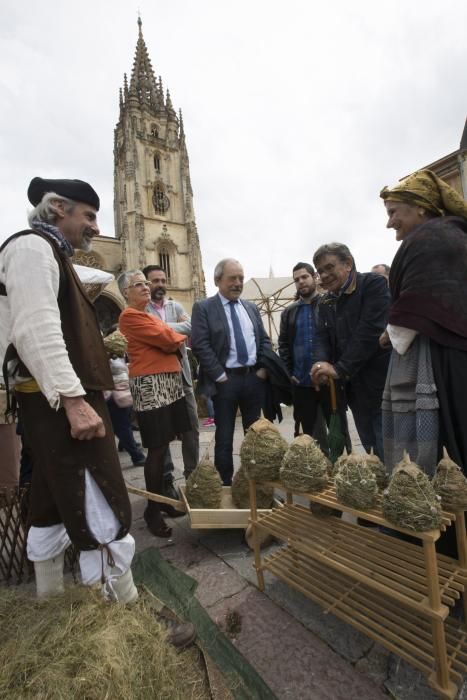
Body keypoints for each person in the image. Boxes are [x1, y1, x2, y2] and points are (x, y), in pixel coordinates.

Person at [0, 177, 137, 602]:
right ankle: (122, 616)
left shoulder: (51, 252)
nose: (95, 227)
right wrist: (75, 402)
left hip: (56, 400)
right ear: (58, 208)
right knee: (99, 502)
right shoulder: (30, 248)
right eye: (89, 216)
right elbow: (35, 329)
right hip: (59, 402)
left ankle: (54, 602)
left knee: (50, 499)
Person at [379, 169, 467, 476]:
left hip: (443, 356)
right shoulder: (445, 233)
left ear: (420, 206)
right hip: (452, 350)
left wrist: (391, 333)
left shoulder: (433, 238)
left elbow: (423, 298)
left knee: (446, 445)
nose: (389, 222)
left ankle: (445, 515)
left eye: (393, 212)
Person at [118, 270, 191, 538]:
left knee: (166, 444)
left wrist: (169, 339)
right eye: (139, 285)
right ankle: (152, 509)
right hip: (151, 385)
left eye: (146, 284)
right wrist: (172, 338)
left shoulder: (147, 315)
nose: (146, 288)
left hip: (168, 383)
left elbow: (167, 338)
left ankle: (162, 502)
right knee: (157, 449)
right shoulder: (129, 316)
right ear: (126, 292)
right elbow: (168, 339)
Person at [191, 258, 272, 485]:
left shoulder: (251, 307)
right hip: (225, 383)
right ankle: (225, 485)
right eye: (232, 278)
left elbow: (263, 340)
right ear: (218, 280)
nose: (238, 283)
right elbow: (200, 344)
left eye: (241, 278)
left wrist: (263, 369)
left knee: (255, 437)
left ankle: (254, 484)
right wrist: (220, 376)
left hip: (253, 380)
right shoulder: (204, 307)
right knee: (224, 438)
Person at [311, 242, 391, 459]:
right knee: (372, 451)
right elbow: (321, 338)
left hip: (382, 387)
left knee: (391, 453)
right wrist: (320, 365)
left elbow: (369, 331)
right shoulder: (325, 302)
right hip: (354, 391)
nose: (324, 275)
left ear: (348, 264)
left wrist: (340, 368)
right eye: (320, 271)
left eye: (329, 267)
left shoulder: (372, 285)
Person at [142, 265, 199, 509]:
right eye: (155, 280)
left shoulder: (176, 306)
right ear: (146, 284)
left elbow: (190, 328)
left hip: (182, 377)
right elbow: (149, 336)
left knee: (192, 429)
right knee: (162, 435)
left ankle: (192, 476)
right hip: (157, 380)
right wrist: (171, 333)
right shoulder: (139, 311)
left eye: (163, 279)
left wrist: (161, 331)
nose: (160, 284)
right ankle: (166, 481)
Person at [278, 262, 328, 448]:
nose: (301, 282)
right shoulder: (289, 312)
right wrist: (289, 372)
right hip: (301, 382)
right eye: (297, 279)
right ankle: (319, 472)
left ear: (314, 277)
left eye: (304, 277)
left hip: (328, 380)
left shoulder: (328, 304)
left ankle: (339, 468)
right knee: (310, 436)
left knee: (338, 431)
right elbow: (283, 345)